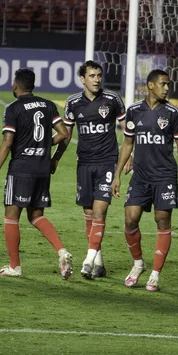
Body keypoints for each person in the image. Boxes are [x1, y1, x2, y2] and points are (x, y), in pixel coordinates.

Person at [112, 69, 178, 292]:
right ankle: (138, 263)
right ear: (150, 85)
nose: (167, 88)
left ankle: (155, 275)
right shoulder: (134, 111)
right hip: (140, 176)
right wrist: (117, 174)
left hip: (165, 176)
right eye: (163, 84)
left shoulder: (173, 112)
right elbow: (128, 144)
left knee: (162, 220)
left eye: (168, 84)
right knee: (130, 219)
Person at [0, 68, 73, 279]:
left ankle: (14, 267)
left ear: (15, 86)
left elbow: (8, 142)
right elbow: (64, 133)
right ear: (33, 86)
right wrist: (45, 147)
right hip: (42, 168)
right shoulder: (48, 105)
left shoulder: (13, 108)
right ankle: (62, 251)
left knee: (11, 216)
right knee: (36, 216)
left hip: (21, 168)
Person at [58, 60, 129, 279]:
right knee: (88, 213)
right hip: (84, 163)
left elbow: (128, 130)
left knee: (100, 211)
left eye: (99, 75)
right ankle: (98, 262)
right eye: (92, 76)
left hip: (107, 161)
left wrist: (130, 155)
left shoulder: (112, 100)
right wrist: (55, 159)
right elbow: (66, 135)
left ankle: (87, 261)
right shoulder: (73, 103)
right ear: (82, 79)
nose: (96, 79)